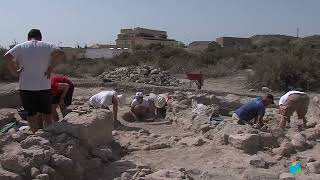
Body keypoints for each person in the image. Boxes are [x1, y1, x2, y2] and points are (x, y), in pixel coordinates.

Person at [3, 29, 65, 133]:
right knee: (46, 113)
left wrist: (15, 72)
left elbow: (7, 56)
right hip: (44, 86)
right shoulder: (48, 45)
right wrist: (51, 68)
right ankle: (49, 135)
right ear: (40, 37)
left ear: (28, 38)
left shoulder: (22, 46)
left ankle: (35, 135)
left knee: (31, 114)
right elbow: (61, 53)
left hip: (26, 87)